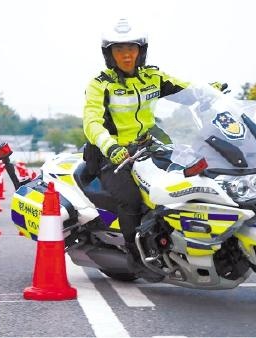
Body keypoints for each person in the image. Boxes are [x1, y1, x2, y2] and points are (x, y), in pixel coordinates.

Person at [82, 18, 193, 279]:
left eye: (131, 48)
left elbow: (186, 91)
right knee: (131, 199)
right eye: (119, 49)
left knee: (181, 182)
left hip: (147, 147)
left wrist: (211, 94)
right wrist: (110, 147)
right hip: (111, 154)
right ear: (109, 54)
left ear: (140, 50)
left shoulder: (152, 77)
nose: (126, 54)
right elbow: (92, 123)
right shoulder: (101, 84)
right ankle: (136, 257)